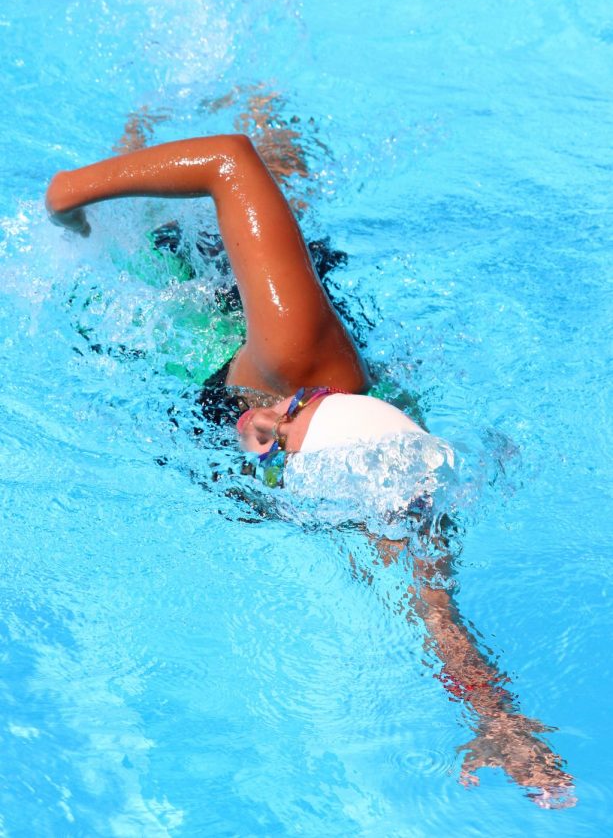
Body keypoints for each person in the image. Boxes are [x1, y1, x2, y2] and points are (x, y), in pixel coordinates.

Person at [45, 133, 575, 805]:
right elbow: (227, 160)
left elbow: (441, 622)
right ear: (307, 403)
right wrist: (69, 195)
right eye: (289, 419)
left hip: (215, 380)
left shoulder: (389, 504)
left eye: (274, 458)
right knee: (242, 209)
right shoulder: (298, 359)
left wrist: (496, 719)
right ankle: (265, 108)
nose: (262, 428)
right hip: (245, 312)